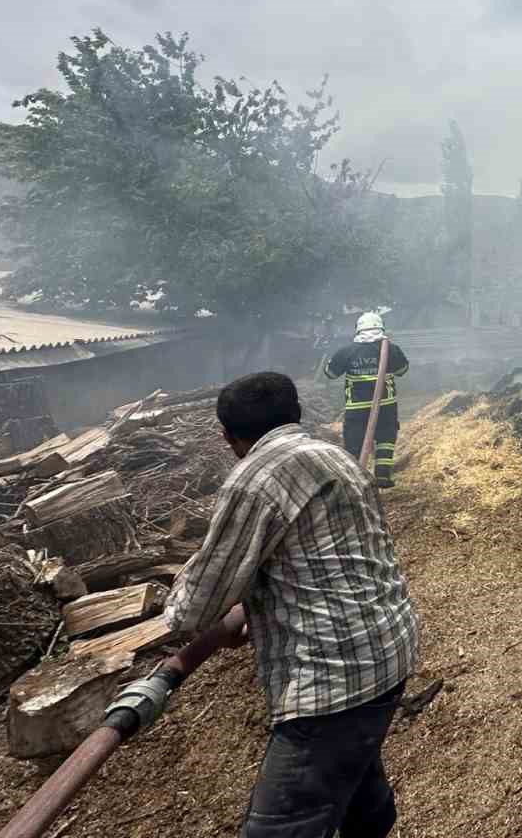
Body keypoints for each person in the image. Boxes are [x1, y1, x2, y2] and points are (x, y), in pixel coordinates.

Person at [116, 372, 420, 838]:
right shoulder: (335, 457)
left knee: (281, 825)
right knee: (356, 779)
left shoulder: (254, 480)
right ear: (296, 414)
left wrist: (184, 606)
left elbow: (195, 608)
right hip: (389, 647)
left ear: (227, 436)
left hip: (332, 677)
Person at [324, 311, 410, 487]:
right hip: (385, 405)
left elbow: (330, 374)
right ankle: (382, 477)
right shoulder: (390, 348)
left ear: (358, 330)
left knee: (354, 442)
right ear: (381, 328)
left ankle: (355, 480)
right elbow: (402, 370)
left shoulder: (346, 351)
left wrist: (330, 363)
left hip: (357, 406)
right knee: (385, 438)